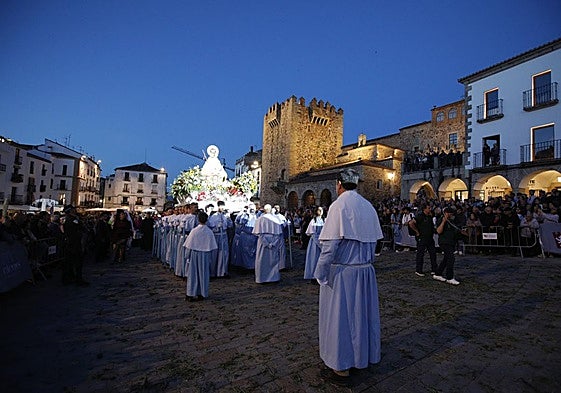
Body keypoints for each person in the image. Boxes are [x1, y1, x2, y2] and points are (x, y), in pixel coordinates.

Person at [313, 169, 384, 386]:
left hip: (344, 273)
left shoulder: (339, 205)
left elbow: (330, 246)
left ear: (339, 184)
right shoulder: (368, 206)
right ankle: (361, 356)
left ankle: (341, 366)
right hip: (365, 271)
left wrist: (320, 273)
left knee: (342, 320)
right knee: (361, 316)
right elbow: (375, 243)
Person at [183, 211, 217, 301]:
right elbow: (212, 247)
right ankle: (202, 292)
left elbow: (189, 245)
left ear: (198, 220)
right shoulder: (209, 232)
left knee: (193, 274)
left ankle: (190, 293)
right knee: (203, 274)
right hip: (205, 255)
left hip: (195, 254)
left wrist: (187, 257)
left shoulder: (194, 231)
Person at [433, 207, 466, 285]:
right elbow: (438, 231)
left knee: (446, 259)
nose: (451, 215)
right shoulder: (441, 220)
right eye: (450, 214)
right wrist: (444, 222)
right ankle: (449, 277)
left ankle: (438, 273)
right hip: (444, 242)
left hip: (451, 242)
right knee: (451, 258)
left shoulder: (452, 221)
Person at [252, 204, 283, 284]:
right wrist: (273, 243)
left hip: (263, 241)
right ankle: (273, 277)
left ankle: (262, 278)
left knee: (262, 260)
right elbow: (278, 234)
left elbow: (259, 234)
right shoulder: (275, 219)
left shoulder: (260, 219)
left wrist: (266, 243)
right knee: (272, 259)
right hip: (273, 241)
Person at [61, 205, 89, 286]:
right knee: (76, 262)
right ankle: (76, 279)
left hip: (71, 243)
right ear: (70, 211)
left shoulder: (68, 219)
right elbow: (80, 227)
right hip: (73, 243)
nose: (75, 210)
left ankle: (69, 278)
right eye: (73, 209)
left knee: (69, 262)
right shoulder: (72, 219)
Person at [408, 203, 437, 276]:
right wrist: (417, 232)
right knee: (420, 254)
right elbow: (411, 223)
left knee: (433, 254)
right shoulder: (420, 216)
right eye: (428, 208)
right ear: (424, 209)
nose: (429, 209)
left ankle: (434, 269)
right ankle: (419, 270)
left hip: (429, 237)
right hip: (422, 238)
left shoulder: (430, 216)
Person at [207, 201, 233, 278]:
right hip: (216, 236)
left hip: (224, 235)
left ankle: (223, 271)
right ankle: (213, 271)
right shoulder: (214, 216)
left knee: (224, 253)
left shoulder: (225, 216)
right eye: (221, 206)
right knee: (215, 253)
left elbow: (230, 225)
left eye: (223, 206)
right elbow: (209, 227)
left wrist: (229, 219)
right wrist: (216, 228)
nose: (222, 208)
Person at [303, 206, 324, 282]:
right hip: (316, 243)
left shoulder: (324, 220)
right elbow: (311, 233)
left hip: (321, 242)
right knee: (314, 259)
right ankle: (313, 276)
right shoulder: (313, 221)